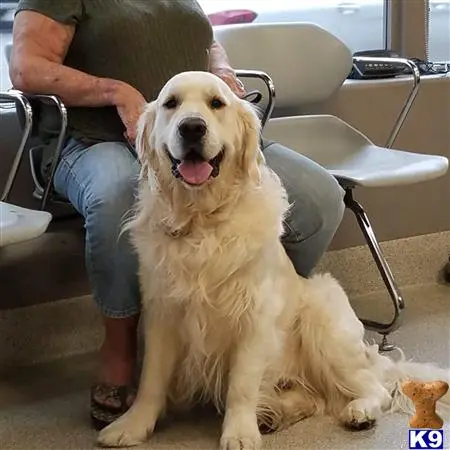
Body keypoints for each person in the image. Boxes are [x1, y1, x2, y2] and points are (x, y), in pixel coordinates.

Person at [11, 0, 345, 430]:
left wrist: (222, 72)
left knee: (319, 198)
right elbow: (26, 68)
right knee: (119, 195)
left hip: (206, 134)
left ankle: (254, 342)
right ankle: (120, 355)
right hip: (92, 140)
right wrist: (115, 91)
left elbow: (207, 43)